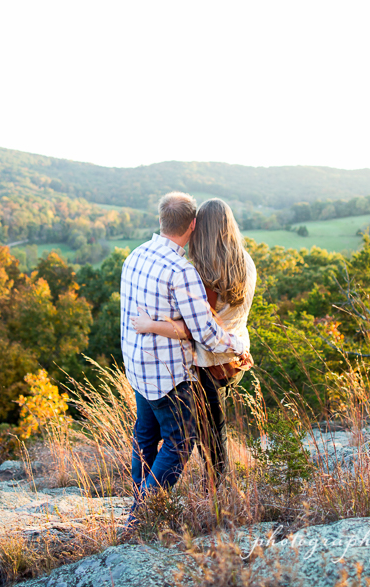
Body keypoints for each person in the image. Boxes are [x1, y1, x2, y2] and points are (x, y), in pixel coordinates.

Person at [119, 192, 250, 521]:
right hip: (169, 373)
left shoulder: (135, 255)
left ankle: (140, 497)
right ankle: (143, 510)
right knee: (180, 441)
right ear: (192, 224)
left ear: (161, 219)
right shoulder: (186, 271)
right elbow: (203, 332)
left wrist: (150, 325)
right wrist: (238, 345)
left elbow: (186, 327)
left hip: (138, 365)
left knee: (146, 434)